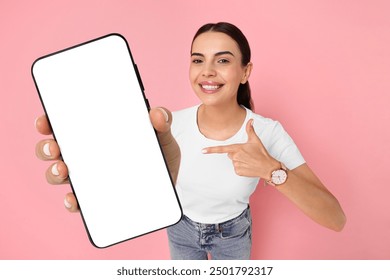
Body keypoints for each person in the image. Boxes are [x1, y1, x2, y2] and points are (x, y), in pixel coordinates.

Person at [35, 22, 346, 260]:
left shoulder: (267, 132)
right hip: (180, 229)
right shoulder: (170, 124)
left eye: (222, 61)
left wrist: (272, 170)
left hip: (234, 234)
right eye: (198, 60)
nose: (207, 72)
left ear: (245, 71)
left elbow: (336, 218)